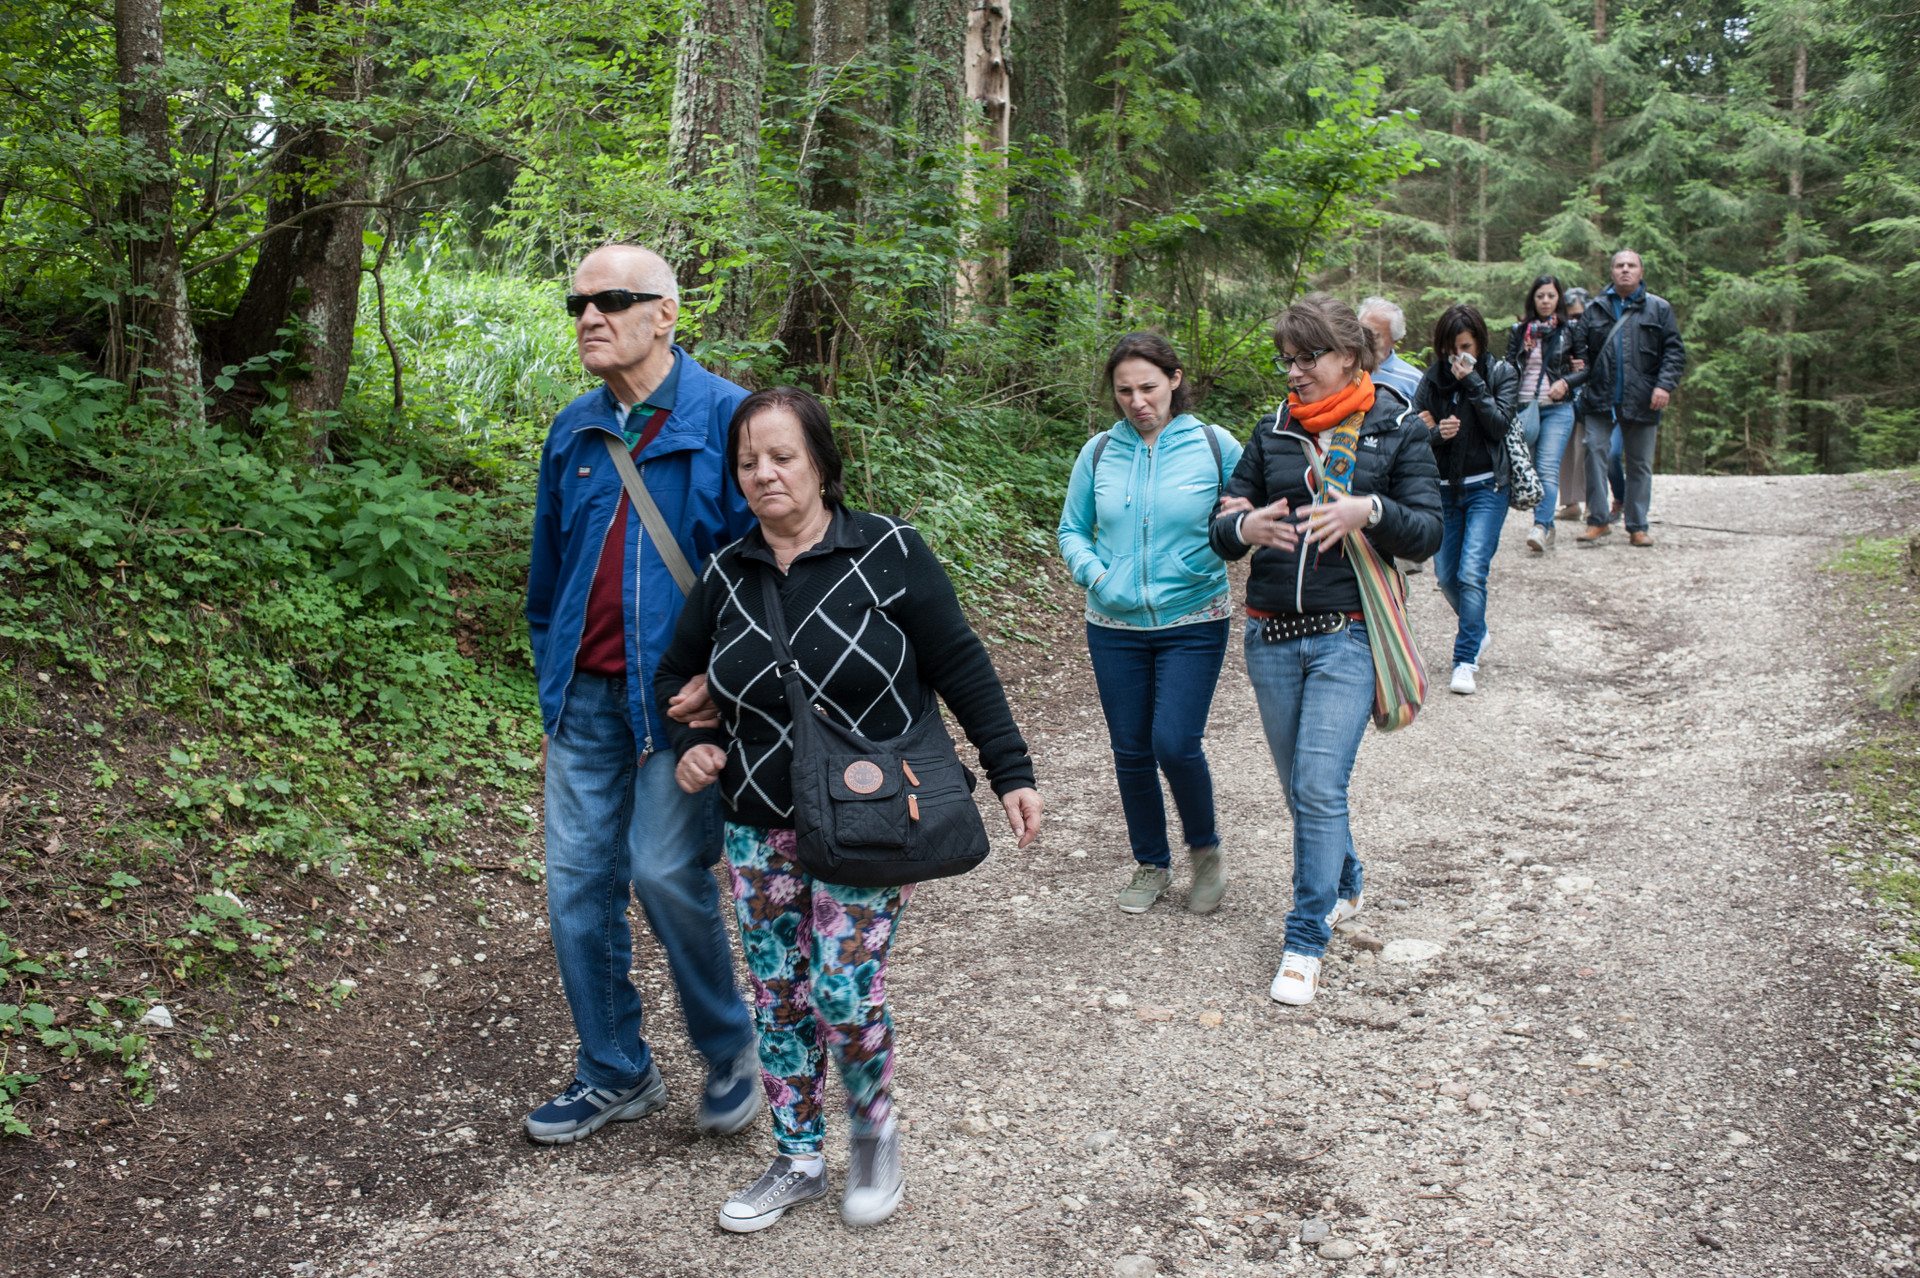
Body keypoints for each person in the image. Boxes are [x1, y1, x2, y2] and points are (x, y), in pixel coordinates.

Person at [655, 386, 1044, 1232]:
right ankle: (797, 1156)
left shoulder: (889, 551)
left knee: (839, 987)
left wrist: (1009, 769)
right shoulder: (727, 576)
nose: (764, 474)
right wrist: (691, 743)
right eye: (748, 462)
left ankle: (872, 1132)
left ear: (822, 465)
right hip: (757, 820)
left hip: (869, 812)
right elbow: (673, 678)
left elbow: (961, 664)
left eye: (782, 456)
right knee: (778, 996)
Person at [522, 244, 762, 1147]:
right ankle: (615, 1069)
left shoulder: (731, 419)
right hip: (583, 701)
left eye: (613, 299)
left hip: (684, 703)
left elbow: (771, 573)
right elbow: (547, 584)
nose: (590, 316)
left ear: (665, 313)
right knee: (576, 889)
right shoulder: (574, 431)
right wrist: (551, 690)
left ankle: (730, 1048)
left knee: (662, 870)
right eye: (578, 303)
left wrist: (728, 686)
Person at [1208, 294, 1441, 1006]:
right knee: (1300, 790)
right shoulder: (1272, 429)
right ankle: (1344, 879)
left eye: (1309, 357)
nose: (1295, 371)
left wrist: (1370, 510)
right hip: (1270, 635)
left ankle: (1305, 941)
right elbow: (1222, 523)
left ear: (1351, 355)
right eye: (1288, 359)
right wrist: (1244, 529)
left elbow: (1428, 531)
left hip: (1350, 634)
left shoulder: (1396, 427)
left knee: (1316, 786)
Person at [1057, 334, 1245, 916]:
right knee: (1132, 749)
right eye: (1124, 391)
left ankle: (1205, 852)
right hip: (1113, 625)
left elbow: (1243, 519)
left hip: (1195, 616)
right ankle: (1151, 863)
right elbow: (1071, 531)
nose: (1137, 401)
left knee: (1175, 742)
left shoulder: (1216, 446)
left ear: (1174, 380)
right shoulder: (1098, 453)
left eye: (1148, 387)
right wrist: (1097, 575)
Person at [1414, 303, 1518, 696]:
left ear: (1480, 343)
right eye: (1451, 349)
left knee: (1472, 573)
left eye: (1466, 347)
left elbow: (1499, 425)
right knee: (1446, 577)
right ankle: (1477, 630)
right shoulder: (1432, 379)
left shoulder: (1499, 373)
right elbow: (1411, 432)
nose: (1458, 357)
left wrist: (1473, 382)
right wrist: (1437, 433)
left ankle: (1465, 660)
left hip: (1488, 488)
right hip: (1444, 489)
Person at [1575, 249, 1687, 548]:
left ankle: (1637, 526)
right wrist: (1577, 367)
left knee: (1640, 463)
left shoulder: (1659, 308)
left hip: (1644, 397)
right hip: (1600, 396)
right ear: (1612, 271)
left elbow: (1674, 352)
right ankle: (1598, 520)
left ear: (1641, 272)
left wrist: (1664, 386)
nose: (1625, 269)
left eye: (1631, 265)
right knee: (1594, 452)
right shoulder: (1594, 309)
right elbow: (1579, 348)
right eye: (1619, 265)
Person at [1503, 275, 1587, 552]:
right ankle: (1547, 526)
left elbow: (1587, 367)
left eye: (1551, 296)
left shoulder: (1569, 330)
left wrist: (1566, 382)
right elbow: (1509, 366)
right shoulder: (1520, 330)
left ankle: (1540, 526)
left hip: (1557, 409)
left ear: (1558, 299)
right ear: (1533, 299)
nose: (1546, 301)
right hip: (1525, 409)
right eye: (1540, 296)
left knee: (1548, 467)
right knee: (1533, 469)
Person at [1358, 296, 1423, 404]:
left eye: (1374, 335)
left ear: (1395, 341)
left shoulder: (1413, 381)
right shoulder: (1340, 368)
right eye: (1361, 331)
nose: (1364, 339)